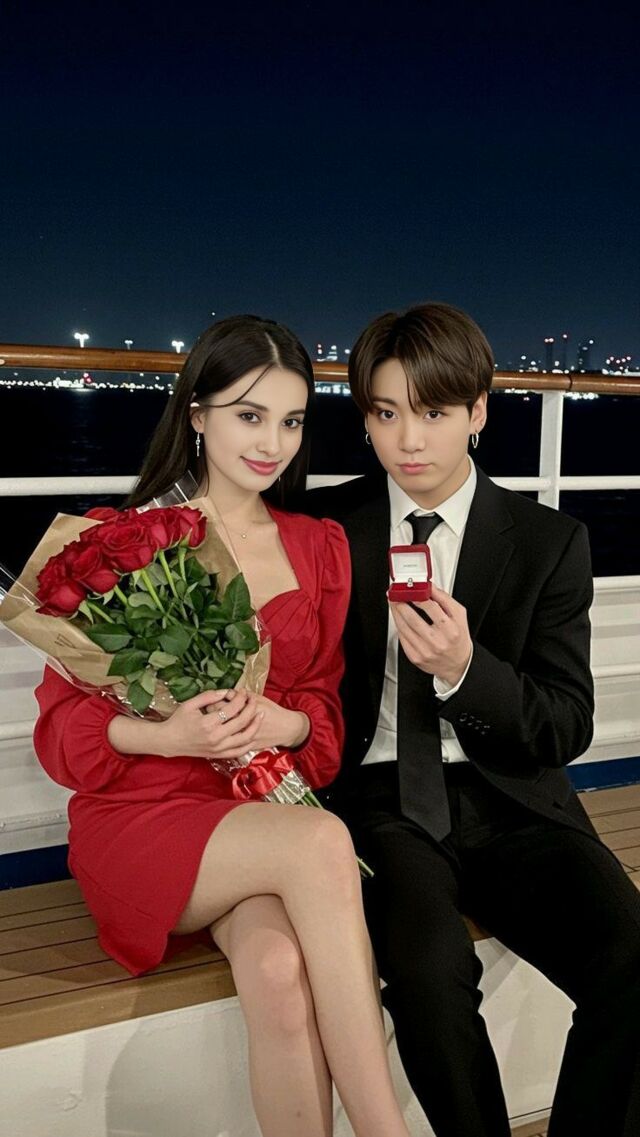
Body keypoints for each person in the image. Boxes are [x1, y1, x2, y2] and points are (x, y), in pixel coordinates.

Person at [33, 315, 413, 1137]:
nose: (272, 442)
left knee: (277, 971)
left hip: (258, 812)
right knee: (323, 842)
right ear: (198, 414)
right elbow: (61, 735)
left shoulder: (320, 547)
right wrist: (166, 736)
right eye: (249, 414)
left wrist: (283, 719)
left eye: (292, 419)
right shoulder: (119, 543)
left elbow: (325, 718)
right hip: (142, 816)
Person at [304, 302, 640, 1137]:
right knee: (427, 973)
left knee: (633, 953)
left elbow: (565, 724)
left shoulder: (549, 541)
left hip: (513, 796)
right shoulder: (325, 531)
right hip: (381, 802)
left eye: (433, 412)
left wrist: (465, 670)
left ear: (478, 411)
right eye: (386, 413)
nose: (408, 440)